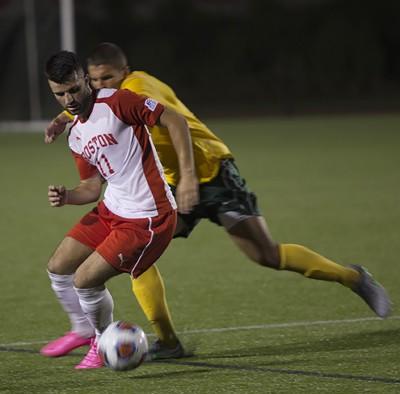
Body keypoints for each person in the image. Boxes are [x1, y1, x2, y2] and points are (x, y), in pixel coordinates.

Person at [45, 43, 392, 353]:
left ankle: (353, 277)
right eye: (94, 79)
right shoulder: (105, 100)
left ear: (124, 72)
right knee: (138, 257)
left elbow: (167, 119)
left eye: (106, 78)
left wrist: (190, 180)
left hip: (212, 171)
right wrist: (65, 117)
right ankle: (167, 342)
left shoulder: (138, 86)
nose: (99, 85)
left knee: (267, 255)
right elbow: (89, 106)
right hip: (169, 184)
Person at [42, 50, 195, 369]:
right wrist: (67, 196)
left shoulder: (117, 102)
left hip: (147, 216)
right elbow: (91, 188)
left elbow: (174, 119)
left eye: (73, 89)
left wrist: (188, 178)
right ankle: (83, 329)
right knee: (58, 267)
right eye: (60, 94)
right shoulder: (77, 135)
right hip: (113, 208)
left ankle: (101, 340)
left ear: (85, 79)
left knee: (84, 280)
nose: (69, 99)